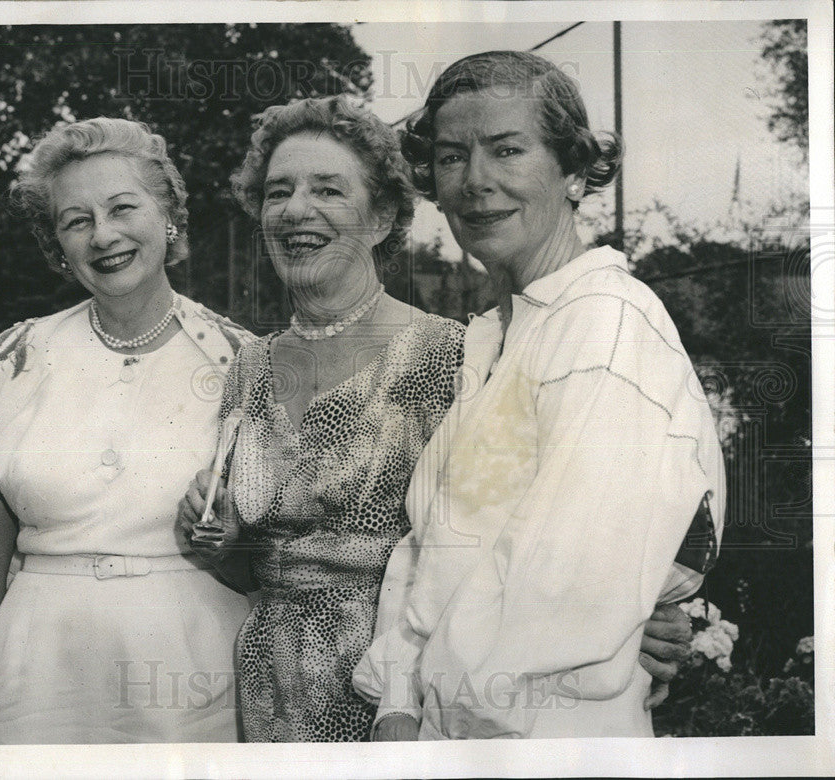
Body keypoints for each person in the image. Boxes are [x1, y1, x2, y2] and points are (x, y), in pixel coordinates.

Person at [178, 95, 693, 743]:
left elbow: (553, 523)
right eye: (278, 191)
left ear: (383, 215)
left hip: (403, 690)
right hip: (268, 684)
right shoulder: (248, 368)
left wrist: (629, 613)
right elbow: (254, 570)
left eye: (328, 189)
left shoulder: (449, 355)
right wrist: (223, 543)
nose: (297, 209)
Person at [352, 51, 726, 740]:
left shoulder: (608, 326)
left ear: (577, 172)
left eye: (508, 150)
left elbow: (562, 596)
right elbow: (429, 550)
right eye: (451, 156)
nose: (475, 182)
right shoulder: (494, 335)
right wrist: (396, 707)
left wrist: (422, 725)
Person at [0, 117, 252, 744]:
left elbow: (278, 553)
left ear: (168, 216)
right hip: (34, 671)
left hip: (193, 673)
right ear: (57, 245)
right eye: (77, 221)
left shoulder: (242, 361)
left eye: (124, 208)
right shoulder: (13, 357)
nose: (104, 236)